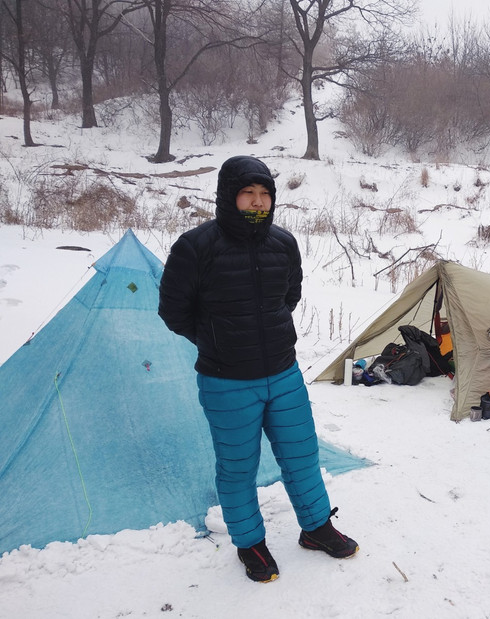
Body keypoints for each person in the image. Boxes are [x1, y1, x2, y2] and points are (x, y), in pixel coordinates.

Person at [158, 155, 358, 582]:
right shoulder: (194, 247)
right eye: (248, 193)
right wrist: (218, 339)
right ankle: (250, 543)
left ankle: (316, 528)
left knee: (302, 455)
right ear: (229, 197)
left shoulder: (283, 243)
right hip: (226, 381)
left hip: (283, 374)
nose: (257, 202)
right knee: (238, 466)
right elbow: (174, 312)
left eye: (264, 194)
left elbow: (290, 295)